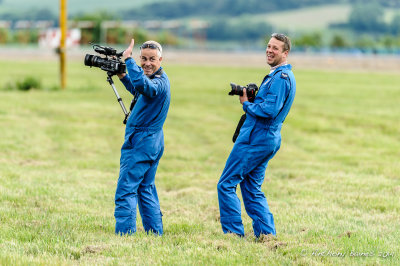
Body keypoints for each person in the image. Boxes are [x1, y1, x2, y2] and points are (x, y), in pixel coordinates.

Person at [217, 33, 296, 238]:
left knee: (226, 183)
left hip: (257, 137)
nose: (270, 50)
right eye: (268, 46)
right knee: (251, 187)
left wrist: (247, 104)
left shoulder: (281, 78)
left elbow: (269, 110)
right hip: (266, 137)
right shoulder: (279, 75)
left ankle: (233, 234)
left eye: (275, 48)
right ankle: (266, 235)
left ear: (285, 53)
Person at [114, 39, 170, 235]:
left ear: (160, 59)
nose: (147, 63)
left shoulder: (159, 84)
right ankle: (155, 233)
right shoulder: (155, 79)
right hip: (152, 142)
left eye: (152, 59)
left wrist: (128, 61)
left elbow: (145, 87)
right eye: (143, 59)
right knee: (145, 188)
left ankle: (125, 235)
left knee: (126, 189)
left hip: (141, 142)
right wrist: (122, 76)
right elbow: (139, 88)